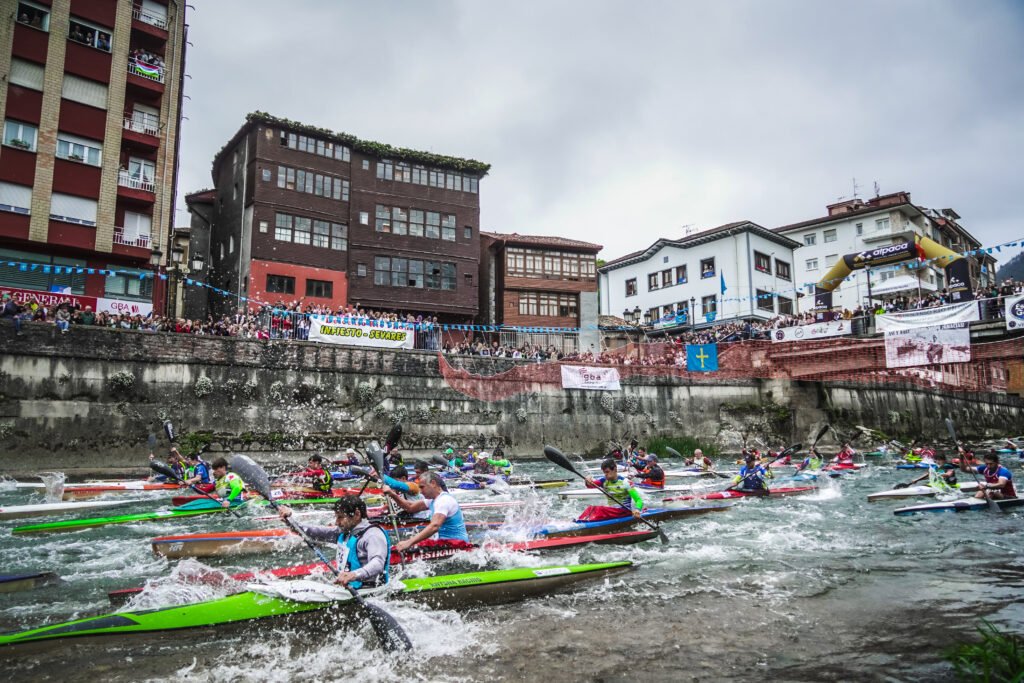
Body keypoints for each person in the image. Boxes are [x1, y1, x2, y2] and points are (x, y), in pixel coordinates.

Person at [278, 495, 390, 588]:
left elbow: (378, 563)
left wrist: (353, 575)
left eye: (340, 517)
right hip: (349, 587)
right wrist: (290, 522)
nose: (337, 522)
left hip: (370, 590)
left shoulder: (373, 535)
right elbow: (314, 532)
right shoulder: (345, 532)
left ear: (357, 514)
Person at [391, 472, 469, 552]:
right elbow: (410, 507)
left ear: (433, 483)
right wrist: (392, 494)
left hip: (458, 546)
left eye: (422, 487)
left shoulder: (444, 500)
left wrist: (409, 542)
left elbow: (434, 526)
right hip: (445, 544)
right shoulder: (432, 500)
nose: (420, 491)